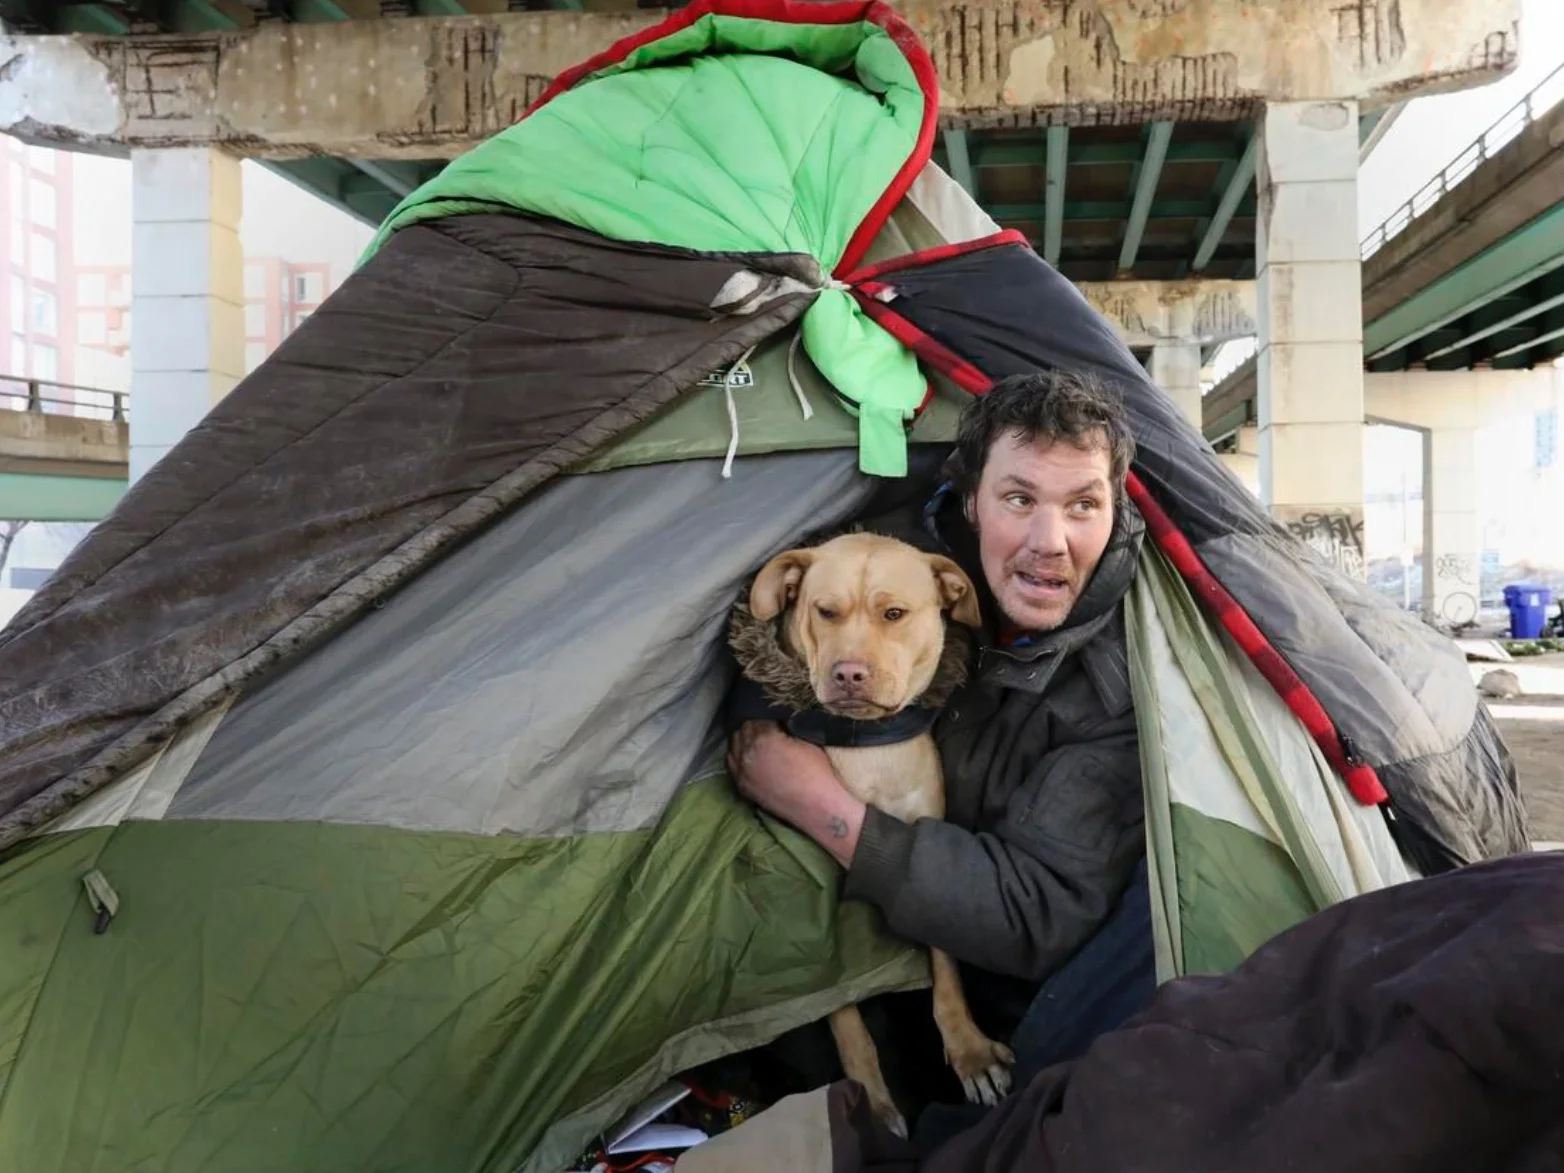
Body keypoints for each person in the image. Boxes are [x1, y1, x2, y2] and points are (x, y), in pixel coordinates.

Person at [726, 369, 1155, 1126]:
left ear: (1115, 510)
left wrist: (824, 808)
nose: (1048, 542)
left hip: (1002, 982)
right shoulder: (878, 557)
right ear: (971, 503)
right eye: (1019, 498)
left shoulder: (1119, 686)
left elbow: (1035, 909)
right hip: (843, 950)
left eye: (1083, 504)